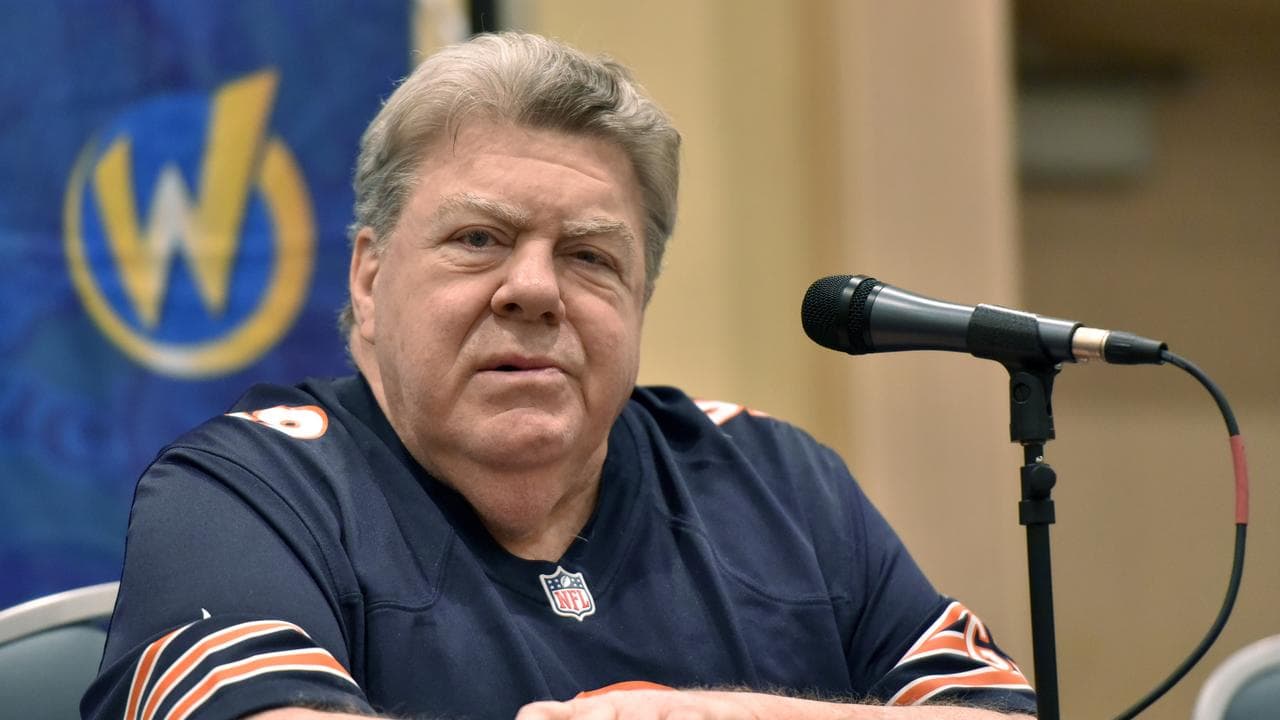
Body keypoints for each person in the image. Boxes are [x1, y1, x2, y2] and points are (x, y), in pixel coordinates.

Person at [83, 32, 1037, 720]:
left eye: (589, 256)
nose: (534, 290)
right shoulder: (240, 492)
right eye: (479, 239)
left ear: (640, 299)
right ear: (369, 279)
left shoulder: (775, 482)